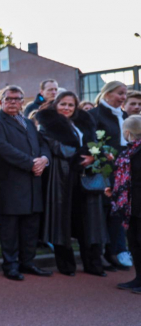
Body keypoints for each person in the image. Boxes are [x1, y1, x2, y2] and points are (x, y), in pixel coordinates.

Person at [0, 86, 52, 280]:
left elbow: (43, 144)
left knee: (30, 227)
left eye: (17, 99)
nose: (13, 102)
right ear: (1, 102)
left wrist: (44, 160)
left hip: (33, 183)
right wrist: (31, 163)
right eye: (9, 99)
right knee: (10, 229)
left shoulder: (29, 123)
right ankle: (10, 265)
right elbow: (2, 149)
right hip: (10, 183)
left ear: (23, 102)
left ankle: (28, 263)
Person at [37, 92, 107, 276]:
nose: (67, 108)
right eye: (63, 104)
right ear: (55, 104)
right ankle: (66, 264)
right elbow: (60, 149)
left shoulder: (83, 123)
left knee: (89, 221)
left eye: (70, 105)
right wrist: (87, 155)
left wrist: (95, 155)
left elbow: (94, 144)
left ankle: (92, 262)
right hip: (63, 177)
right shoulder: (47, 126)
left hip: (86, 176)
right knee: (63, 220)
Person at [92, 81, 131, 271]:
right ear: (107, 94)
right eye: (119, 93)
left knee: (117, 211)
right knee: (104, 211)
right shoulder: (94, 115)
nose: (123, 97)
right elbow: (92, 143)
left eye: (125, 94)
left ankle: (114, 251)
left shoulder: (124, 115)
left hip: (123, 171)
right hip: (104, 172)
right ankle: (102, 252)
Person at [110, 115, 141, 293]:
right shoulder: (129, 151)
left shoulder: (132, 152)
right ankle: (138, 279)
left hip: (135, 203)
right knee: (135, 243)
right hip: (131, 205)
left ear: (127, 132)